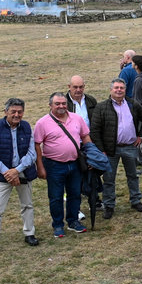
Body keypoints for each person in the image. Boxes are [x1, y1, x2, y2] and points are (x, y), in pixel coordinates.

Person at [0, 98, 39, 255]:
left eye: (19, 112)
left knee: (27, 205)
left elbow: (31, 153)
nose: (16, 114)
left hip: (23, 171)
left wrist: (17, 170)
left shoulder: (26, 127)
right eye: (13, 111)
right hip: (2, 174)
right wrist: (8, 172)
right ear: (5, 111)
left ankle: (29, 233)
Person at [89, 78, 142, 219]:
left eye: (121, 88)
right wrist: (101, 149)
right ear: (111, 90)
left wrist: (141, 135)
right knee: (109, 179)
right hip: (110, 150)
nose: (119, 90)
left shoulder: (132, 104)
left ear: (125, 89)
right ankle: (109, 205)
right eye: (116, 87)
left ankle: (136, 200)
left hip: (130, 147)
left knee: (133, 176)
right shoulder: (101, 107)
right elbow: (95, 130)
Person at [34, 92, 92, 237]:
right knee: (55, 196)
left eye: (64, 103)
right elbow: (37, 145)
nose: (61, 106)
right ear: (50, 105)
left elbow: (85, 136)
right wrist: (40, 167)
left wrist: (92, 156)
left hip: (75, 163)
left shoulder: (77, 118)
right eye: (57, 104)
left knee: (75, 194)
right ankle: (58, 225)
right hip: (54, 166)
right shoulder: (42, 123)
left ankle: (73, 221)